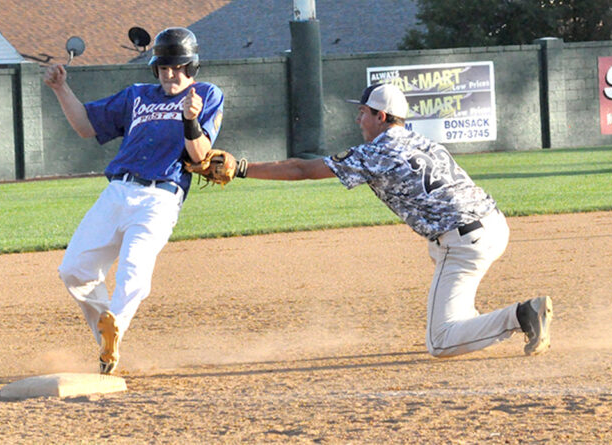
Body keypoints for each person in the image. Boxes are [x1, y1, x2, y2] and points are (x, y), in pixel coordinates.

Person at [237, 83, 552, 358]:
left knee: (440, 342)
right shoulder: (421, 141)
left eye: (363, 112)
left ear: (381, 117)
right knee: (437, 252)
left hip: (463, 241)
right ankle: (471, 320)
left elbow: (301, 170)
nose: (358, 119)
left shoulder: (375, 154)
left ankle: (521, 316)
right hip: (493, 223)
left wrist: (241, 168)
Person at [43, 27, 224, 374]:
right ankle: (106, 337)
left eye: (178, 67)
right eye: (164, 67)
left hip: (161, 196)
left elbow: (200, 155)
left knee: (133, 271)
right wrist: (60, 88)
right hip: (118, 191)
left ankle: (116, 325)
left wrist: (190, 119)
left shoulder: (206, 95)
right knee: (74, 269)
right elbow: (85, 126)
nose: (170, 74)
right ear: (155, 69)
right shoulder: (137, 95)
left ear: (192, 68)